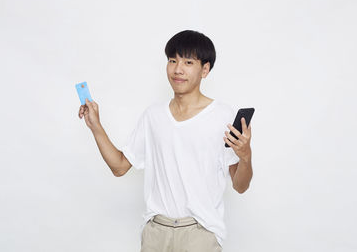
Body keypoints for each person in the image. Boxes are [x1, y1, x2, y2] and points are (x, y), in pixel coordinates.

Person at [78, 29, 253, 252]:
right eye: (172, 60)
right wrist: (96, 127)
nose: (177, 69)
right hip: (156, 233)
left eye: (188, 62)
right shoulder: (153, 116)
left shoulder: (223, 116)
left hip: (200, 234)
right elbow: (120, 167)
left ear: (205, 69)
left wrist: (245, 155)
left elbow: (240, 185)